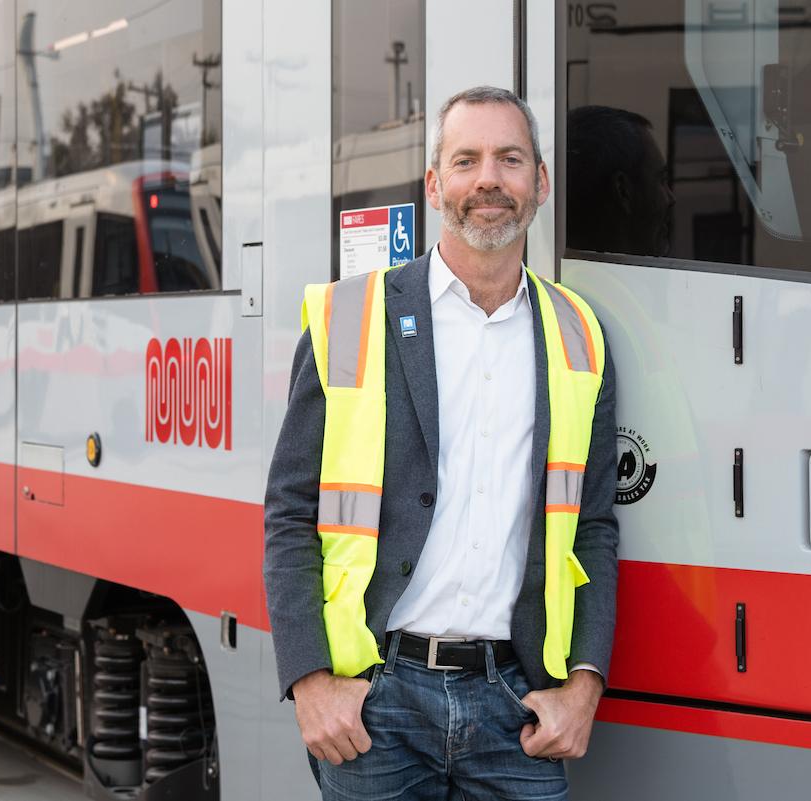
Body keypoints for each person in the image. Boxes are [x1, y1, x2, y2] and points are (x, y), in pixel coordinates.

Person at [264, 85, 618, 801]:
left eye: (510, 158)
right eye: (467, 160)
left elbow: (596, 527)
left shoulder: (577, 333)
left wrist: (584, 685)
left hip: (516, 706)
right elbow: (289, 511)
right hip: (377, 704)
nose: (489, 178)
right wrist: (310, 682)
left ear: (539, 182)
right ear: (435, 185)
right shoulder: (349, 317)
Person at [566, 105, 675, 258]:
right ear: (623, 190)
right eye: (661, 180)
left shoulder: (561, 273)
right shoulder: (616, 280)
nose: (671, 199)